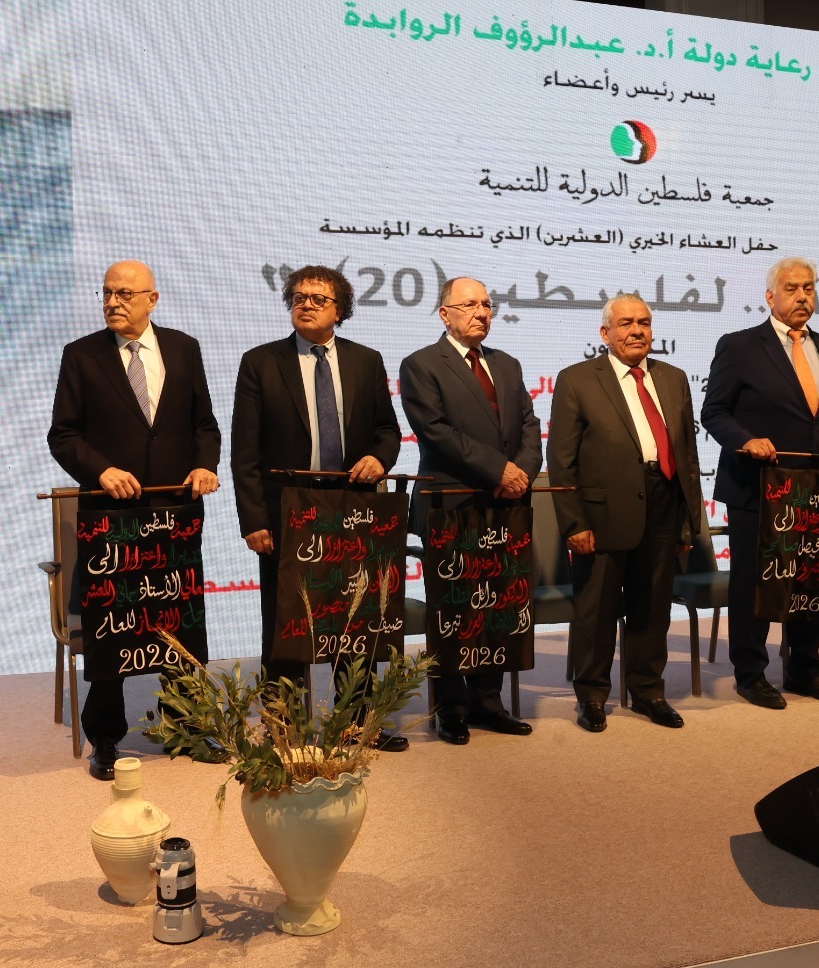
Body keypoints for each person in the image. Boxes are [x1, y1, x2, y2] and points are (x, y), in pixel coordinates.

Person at [48, 260, 222, 779]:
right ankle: (106, 738)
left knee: (178, 625)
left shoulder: (184, 348)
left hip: (175, 515)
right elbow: (63, 435)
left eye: (124, 293)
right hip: (112, 519)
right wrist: (100, 470)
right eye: (106, 293)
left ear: (152, 298)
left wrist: (205, 465)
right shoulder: (81, 354)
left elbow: (205, 424)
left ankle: (186, 726)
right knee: (112, 629)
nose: (112, 302)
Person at [232, 264, 408, 750]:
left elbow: (387, 430)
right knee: (287, 621)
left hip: (352, 508)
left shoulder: (366, 360)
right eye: (299, 297)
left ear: (340, 310)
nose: (305, 304)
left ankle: (356, 722)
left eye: (318, 298)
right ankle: (285, 726)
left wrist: (380, 458)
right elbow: (244, 452)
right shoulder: (261, 362)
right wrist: (253, 519)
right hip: (287, 510)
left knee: (353, 618)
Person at [701, 256, 819, 709]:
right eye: (792, 288)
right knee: (754, 583)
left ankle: (804, 670)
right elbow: (714, 412)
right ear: (770, 296)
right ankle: (750, 673)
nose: (803, 296)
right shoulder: (740, 346)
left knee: (812, 580)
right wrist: (745, 441)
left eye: (809, 288)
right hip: (758, 487)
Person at [548, 293, 705, 732]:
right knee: (596, 610)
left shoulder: (673, 378)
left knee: (653, 606)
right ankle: (592, 695)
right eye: (626, 323)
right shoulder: (578, 379)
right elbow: (561, 459)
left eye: (644, 322)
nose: (637, 331)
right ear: (605, 333)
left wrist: (689, 522)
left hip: (664, 502)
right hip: (602, 514)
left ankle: (648, 691)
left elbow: (687, 456)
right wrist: (574, 522)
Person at [399, 277, 541, 745]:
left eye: (486, 305)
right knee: (454, 611)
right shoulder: (421, 364)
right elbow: (435, 432)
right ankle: (451, 708)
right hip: (450, 505)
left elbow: (528, 425)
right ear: (445, 314)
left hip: (505, 506)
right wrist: (499, 470)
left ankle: (488, 703)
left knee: (496, 606)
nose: (481, 312)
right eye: (469, 305)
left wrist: (521, 473)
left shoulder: (507, 364)